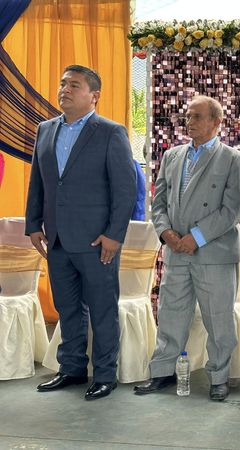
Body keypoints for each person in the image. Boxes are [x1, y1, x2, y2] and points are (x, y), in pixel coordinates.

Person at [25, 65, 137, 400]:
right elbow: (39, 181)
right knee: (67, 308)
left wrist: (114, 235)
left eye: (74, 85)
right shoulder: (45, 129)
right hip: (57, 239)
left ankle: (105, 375)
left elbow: (125, 189)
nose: (65, 89)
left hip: (97, 241)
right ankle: (71, 369)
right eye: (63, 83)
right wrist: (33, 224)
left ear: (94, 96)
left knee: (102, 310)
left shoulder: (111, 132)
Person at [133, 95, 240, 401]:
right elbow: (158, 201)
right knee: (171, 313)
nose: (189, 122)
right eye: (187, 116)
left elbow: (234, 209)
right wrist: (166, 232)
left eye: (197, 116)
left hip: (214, 253)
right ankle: (162, 372)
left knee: (218, 319)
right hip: (176, 250)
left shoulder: (233, 159)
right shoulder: (172, 156)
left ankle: (219, 377)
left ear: (216, 122)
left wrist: (196, 237)